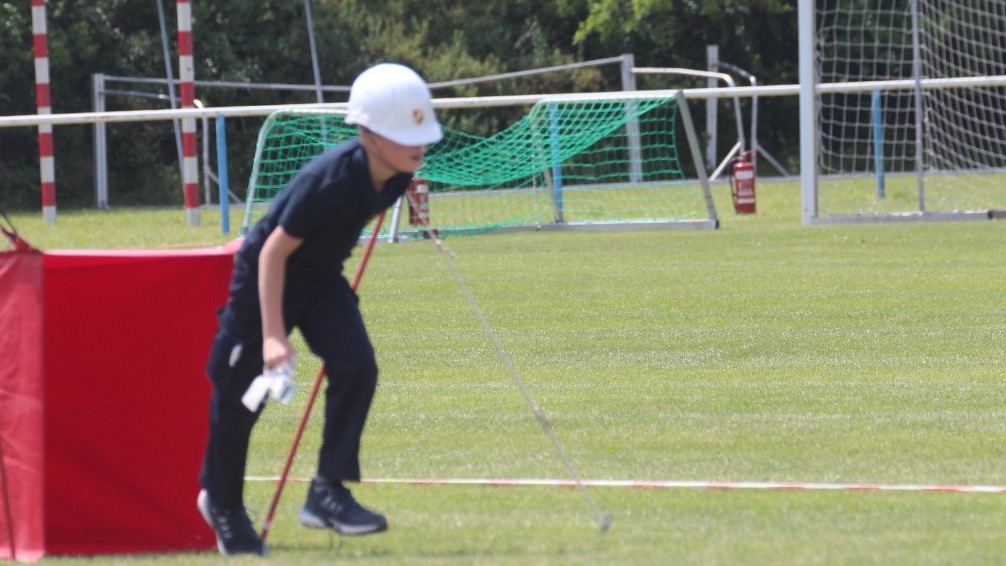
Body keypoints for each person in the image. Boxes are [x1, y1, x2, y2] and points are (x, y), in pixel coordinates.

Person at [196, 62, 443, 556]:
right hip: (268, 277)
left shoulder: (396, 174)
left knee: (357, 366)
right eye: (404, 133)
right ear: (369, 134)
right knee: (241, 397)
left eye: (420, 132)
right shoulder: (326, 181)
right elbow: (271, 253)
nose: (418, 143)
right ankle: (221, 504)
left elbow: (378, 204)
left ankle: (327, 491)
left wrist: (419, 209)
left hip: (322, 277)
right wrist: (271, 335)